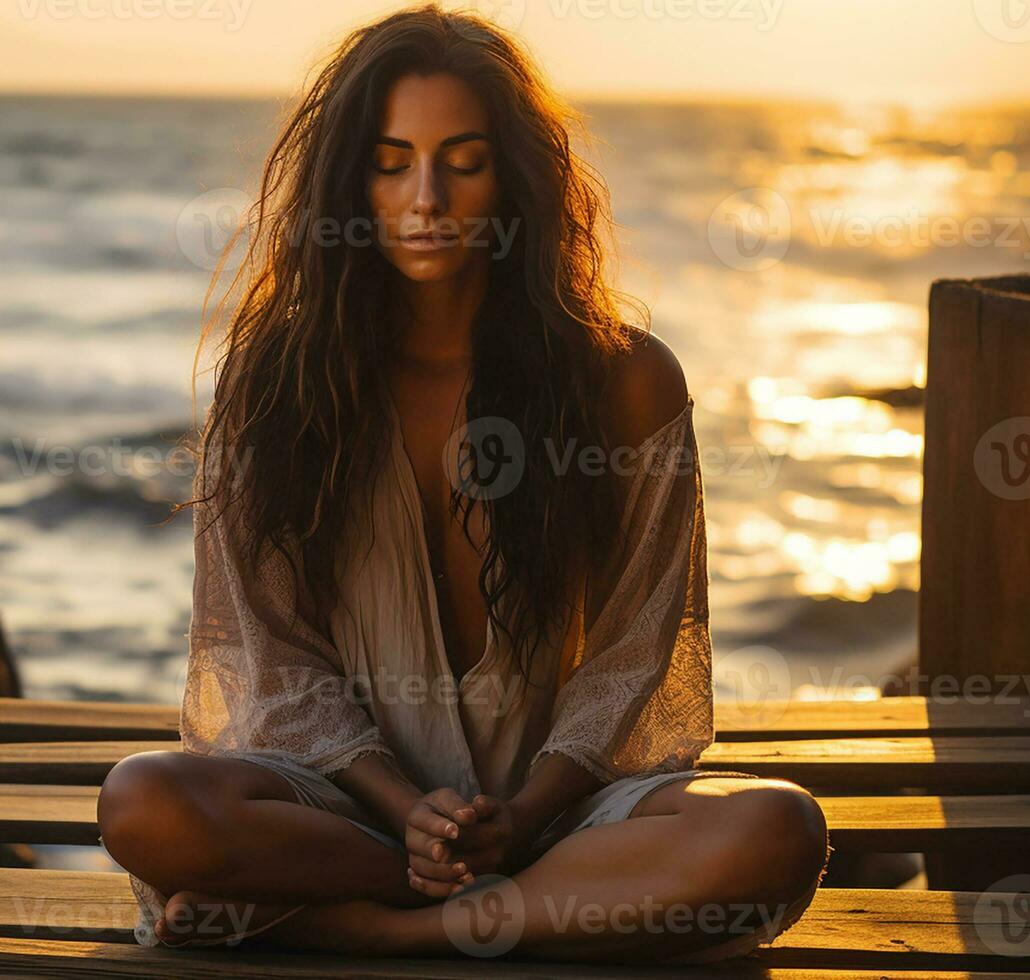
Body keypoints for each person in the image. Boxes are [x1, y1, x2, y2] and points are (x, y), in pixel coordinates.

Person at [97, 4, 828, 962]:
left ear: (515, 181)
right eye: (392, 160)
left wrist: (522, 816)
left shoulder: (625, 381)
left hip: (559, 816)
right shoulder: (279, 384)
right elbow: (271, 652)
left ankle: (378, 934)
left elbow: (632, 657)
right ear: (350, 180)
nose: (426, 196)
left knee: (779, 831)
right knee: (143, 803)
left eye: (464, 161)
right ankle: (519, 911)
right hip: (353, 815)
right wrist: (405, 812)